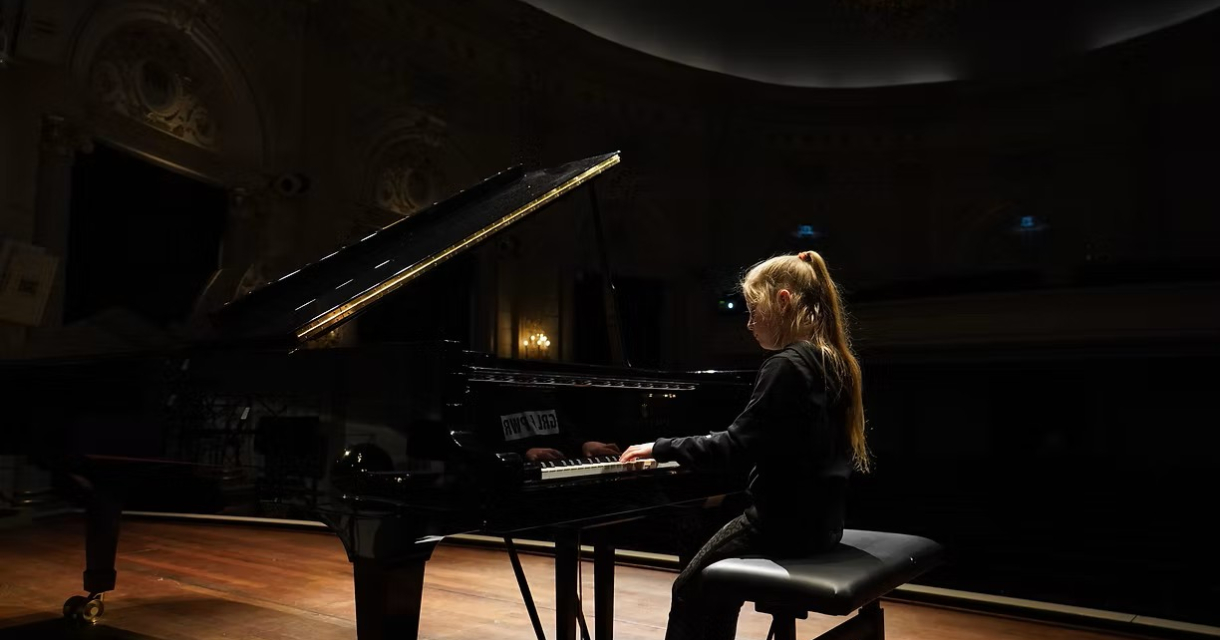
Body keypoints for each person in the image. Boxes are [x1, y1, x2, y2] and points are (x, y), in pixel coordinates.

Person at [619, 250, 870, 640]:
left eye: (754, 309)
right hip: (824, 522)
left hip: (781, 525)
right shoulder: (835, 360)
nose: (749, 323)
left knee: (690, 587)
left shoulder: (786, 364)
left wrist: (660, 447)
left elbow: (735, 447)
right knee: (716, 583)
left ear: (783, 301)